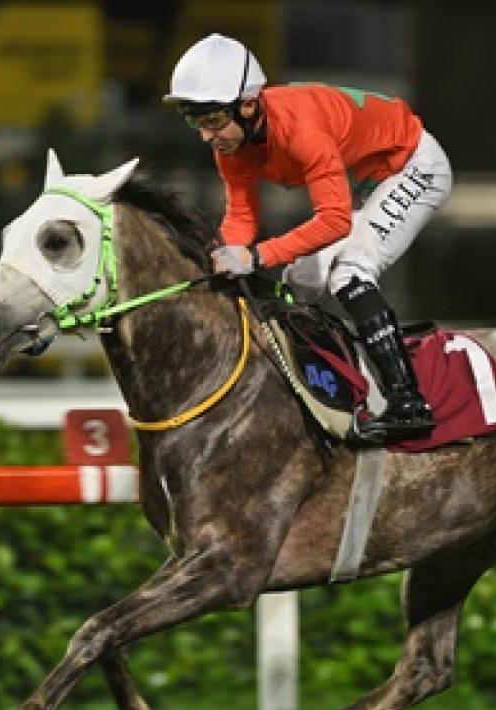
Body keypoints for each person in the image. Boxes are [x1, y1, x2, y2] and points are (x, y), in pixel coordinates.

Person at [164, 32, 453, 445]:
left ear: (247, 105)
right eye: (196, 122)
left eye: (212, 121)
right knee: (302, 281)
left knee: (350, 272)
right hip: (369, 182)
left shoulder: (301, 130)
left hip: (413, 168)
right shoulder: (233, 143)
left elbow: (335, 221)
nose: (206, 137)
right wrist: (222, 257)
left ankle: (410, 402)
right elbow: (242, 217)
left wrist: (257, 256)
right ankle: (334, 388)